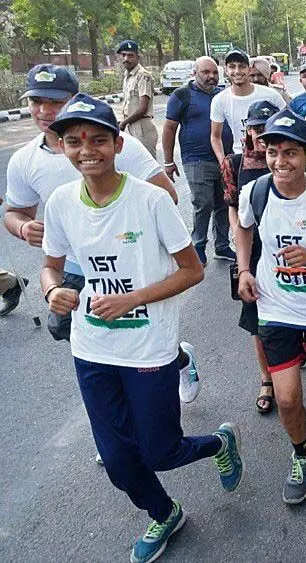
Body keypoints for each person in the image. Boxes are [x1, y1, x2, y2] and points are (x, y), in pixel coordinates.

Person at [39, 93, 243, 563]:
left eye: (96, 139)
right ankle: (164, 512)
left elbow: (191, 270)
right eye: (73, 141)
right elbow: (50, 265)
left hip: (148, 346)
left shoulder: (150, 200)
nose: (86, 150)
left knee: (160, 451)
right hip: (91, 347)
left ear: (116, 142)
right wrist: (53, 291)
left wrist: (130, 299)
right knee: (116, 461)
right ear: (63, 147)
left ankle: (219, 441)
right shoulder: (61, 202)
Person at [2, 66, 198, 404]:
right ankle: (113, 416)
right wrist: (23, 227)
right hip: (75, 266)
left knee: (136, 333)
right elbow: (15, 213)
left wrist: (116, 222)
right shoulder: (24, 160)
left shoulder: (120, 146)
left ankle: (175, 360)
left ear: (76, 100)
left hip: (128, 261)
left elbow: (168, 197)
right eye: (36, 101)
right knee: (64, 327)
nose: (44, 111)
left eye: (55, 102)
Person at [235, 108, 306, 504]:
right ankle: (302, 453)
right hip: (275, 307)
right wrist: (243, 270)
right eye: (272, 152)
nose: (280, 162)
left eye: (290, 153)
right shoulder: (257, 191)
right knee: (286, 396)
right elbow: (243, 226)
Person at [221, 100, 279, 414]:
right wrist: (240, 233)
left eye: (267, 129)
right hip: (251, 249)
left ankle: (289, 360)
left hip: (284, 248)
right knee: (256, 320)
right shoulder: (235, 163)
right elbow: (232, 205)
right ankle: (266, 379)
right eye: (256, 128)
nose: (261, 135)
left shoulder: (286, 160)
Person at [163, 56, 237, 265]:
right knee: (203, 202)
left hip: (224, 158)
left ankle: (222, 246)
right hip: (195, 158)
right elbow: (169, 128)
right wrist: (168, 161)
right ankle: (199, 246)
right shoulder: (182, 95)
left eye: (214, 72)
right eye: (206, 72)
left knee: (224, 202)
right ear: (194, 73)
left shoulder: (222, 95)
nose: (211, 76)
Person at [210, 49, 286, 161]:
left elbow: (287, 121)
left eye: (241, 66)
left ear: (249, 70)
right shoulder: (220, 100)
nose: (237, 71)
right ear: (226, 70)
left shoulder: (271, 95)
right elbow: (215, 136)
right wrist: (223, 162)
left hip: (273, 155)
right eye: (232, 67)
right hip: (241, 157)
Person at [117, 40, 159, 158]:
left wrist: (123, 123)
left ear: (138, 57)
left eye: (130, 55)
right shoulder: (127, 76)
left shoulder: (143, 76)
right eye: (123, 55)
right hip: (130, 126)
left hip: (142, 128)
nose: (126, 59)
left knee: (148, 168)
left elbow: (142, 108)